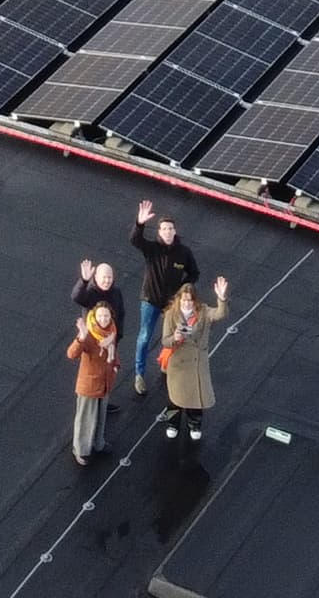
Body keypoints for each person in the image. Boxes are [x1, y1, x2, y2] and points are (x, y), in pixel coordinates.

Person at [127, 199, 198, 395]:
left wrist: (183, 289)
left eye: (170, 228)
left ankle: (166, 363)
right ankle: (139, 375)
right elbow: (135, 240)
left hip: (171, 304)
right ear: (159, 232)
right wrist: (139, 224)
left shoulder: (184, 253)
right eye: (164, 228)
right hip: (150, 300)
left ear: (174, 231)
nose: (167, 231)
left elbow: (194, 273)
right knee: (144, 337)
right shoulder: (153, 250)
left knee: (174, 336)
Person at [155, 274, 229, 451]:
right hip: (179, 363)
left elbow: (220, 314)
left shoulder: (203, 311)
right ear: (179, 299)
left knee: (197, 397)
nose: (187, 303)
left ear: (195, 300)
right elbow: (165, 341)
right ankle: (172, 424)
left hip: (196, 363)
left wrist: (222, 298)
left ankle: (195, 425)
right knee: (175, 398)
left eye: (190, 300)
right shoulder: (171, 315)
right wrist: (175, 337)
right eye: (184, 300)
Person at [66, 302, 120, 467]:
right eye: (100, 316)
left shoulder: (111, 332)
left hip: (104, 384)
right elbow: (72, 354)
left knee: (100, 417)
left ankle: (98, 443)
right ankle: (81, 450)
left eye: (106, 316)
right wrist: (81, 337)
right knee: (85, 419)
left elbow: (112, 354)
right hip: (89, 385)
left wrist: (115, 362)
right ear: (95, 317)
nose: (104, 319)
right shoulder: (89, 335)